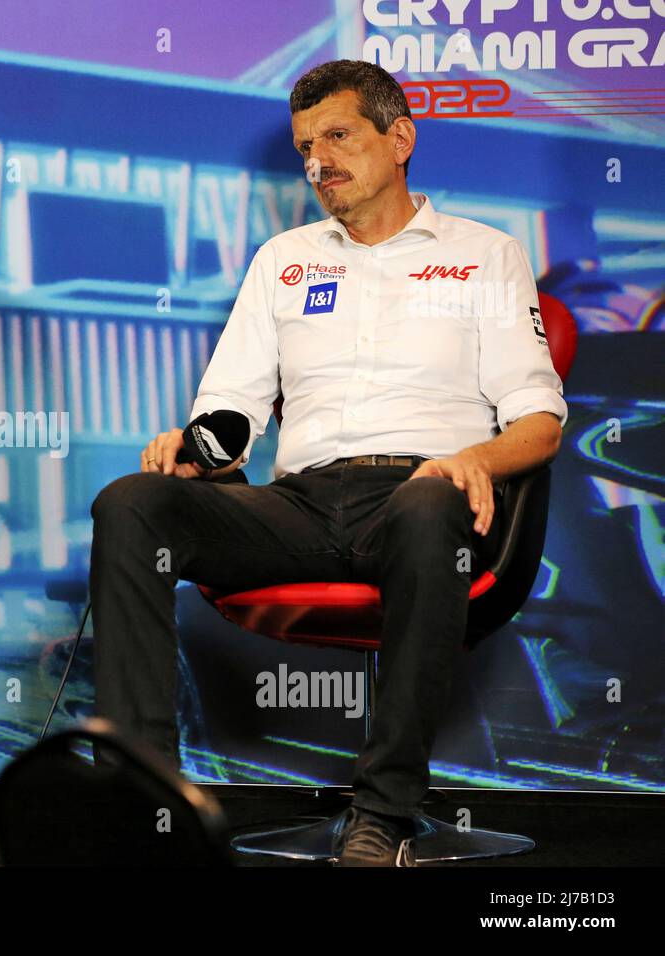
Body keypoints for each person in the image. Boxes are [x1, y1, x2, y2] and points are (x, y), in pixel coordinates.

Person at [89, 60, 566, 866]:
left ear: (401, 137)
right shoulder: (285, 259)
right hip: (299, 506)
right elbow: (232, 410)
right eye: (308, 146)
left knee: (426, 501)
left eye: (339, 136)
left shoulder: (486, 255)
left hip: (422, 493)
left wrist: (470, 460)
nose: (320, 162)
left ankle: (384, 812)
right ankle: (144, 801)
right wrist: (199, 446)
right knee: (131, 502)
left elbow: (540, 419)